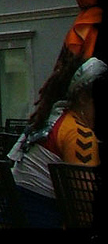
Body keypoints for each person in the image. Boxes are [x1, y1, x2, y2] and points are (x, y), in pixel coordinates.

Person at [10, 53, 103, 228]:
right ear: (83, 97)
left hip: (17, 216)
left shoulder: (50, 120)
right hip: (46, 219)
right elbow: (85, 205)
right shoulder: (78, 133)